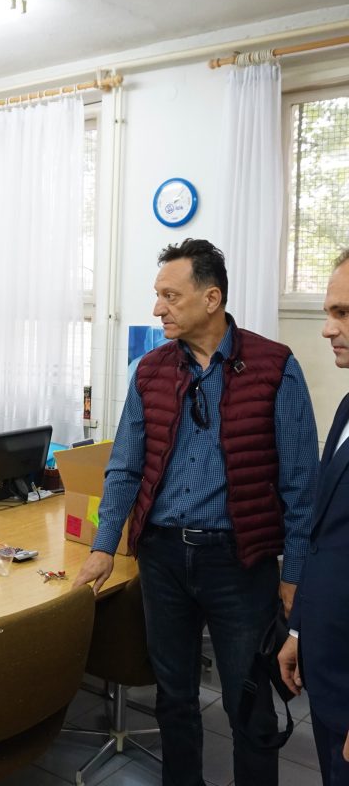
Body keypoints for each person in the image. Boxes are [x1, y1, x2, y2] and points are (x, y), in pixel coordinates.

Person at [73, 239, 319, 786]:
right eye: (157, 295)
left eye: (170, 296)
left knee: (248, 704)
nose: (158, 308)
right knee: (174, 698)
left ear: (211, 298)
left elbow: (302, 484)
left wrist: (295, 575)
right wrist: (103, 546)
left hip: (240, 562)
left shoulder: (275, 367)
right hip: (162, 558)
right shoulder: (150, 371)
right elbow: (124, 467)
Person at [279, 249, 349, 785]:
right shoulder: (347, 406)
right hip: (328, 666)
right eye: (329, 312)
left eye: (342, 313)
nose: (327, 329)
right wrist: (299, 629)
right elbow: (326, 536)